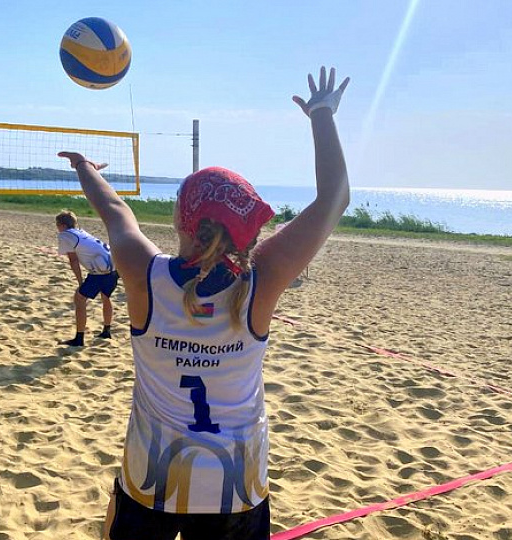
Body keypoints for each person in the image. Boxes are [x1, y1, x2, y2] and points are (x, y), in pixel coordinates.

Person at [58, 66, 350, 540]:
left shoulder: (144, 274)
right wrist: (322, 113)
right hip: (236, 483)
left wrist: (84, 168)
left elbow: (115, 211)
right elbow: (334, 198)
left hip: (152, 477)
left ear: (181, 219)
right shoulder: (259, 281)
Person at [55, 210, 119, 346]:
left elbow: (73, 261)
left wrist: (80, 282)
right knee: (105, 296)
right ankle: (106, 330)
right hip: (114, 267)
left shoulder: (65, 235)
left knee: (79, 298)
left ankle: (79, 339)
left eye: (57, 225)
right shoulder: (81, 232)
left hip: (100, 271)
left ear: (62, 225)